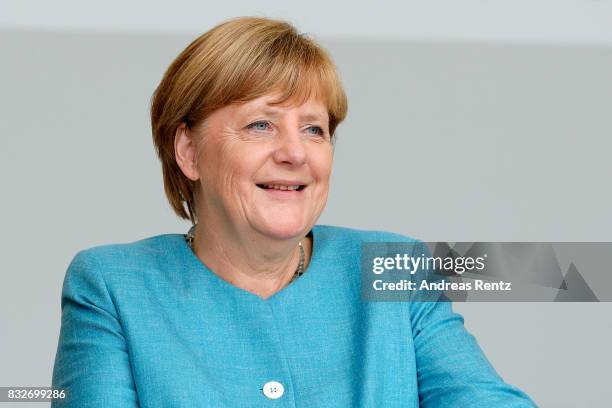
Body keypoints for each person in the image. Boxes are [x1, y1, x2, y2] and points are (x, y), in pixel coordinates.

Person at [51, 16, 537, 407]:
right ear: (189, 151)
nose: (295, 153)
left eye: (314, 129)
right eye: (261, 124)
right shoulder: (112, 286)